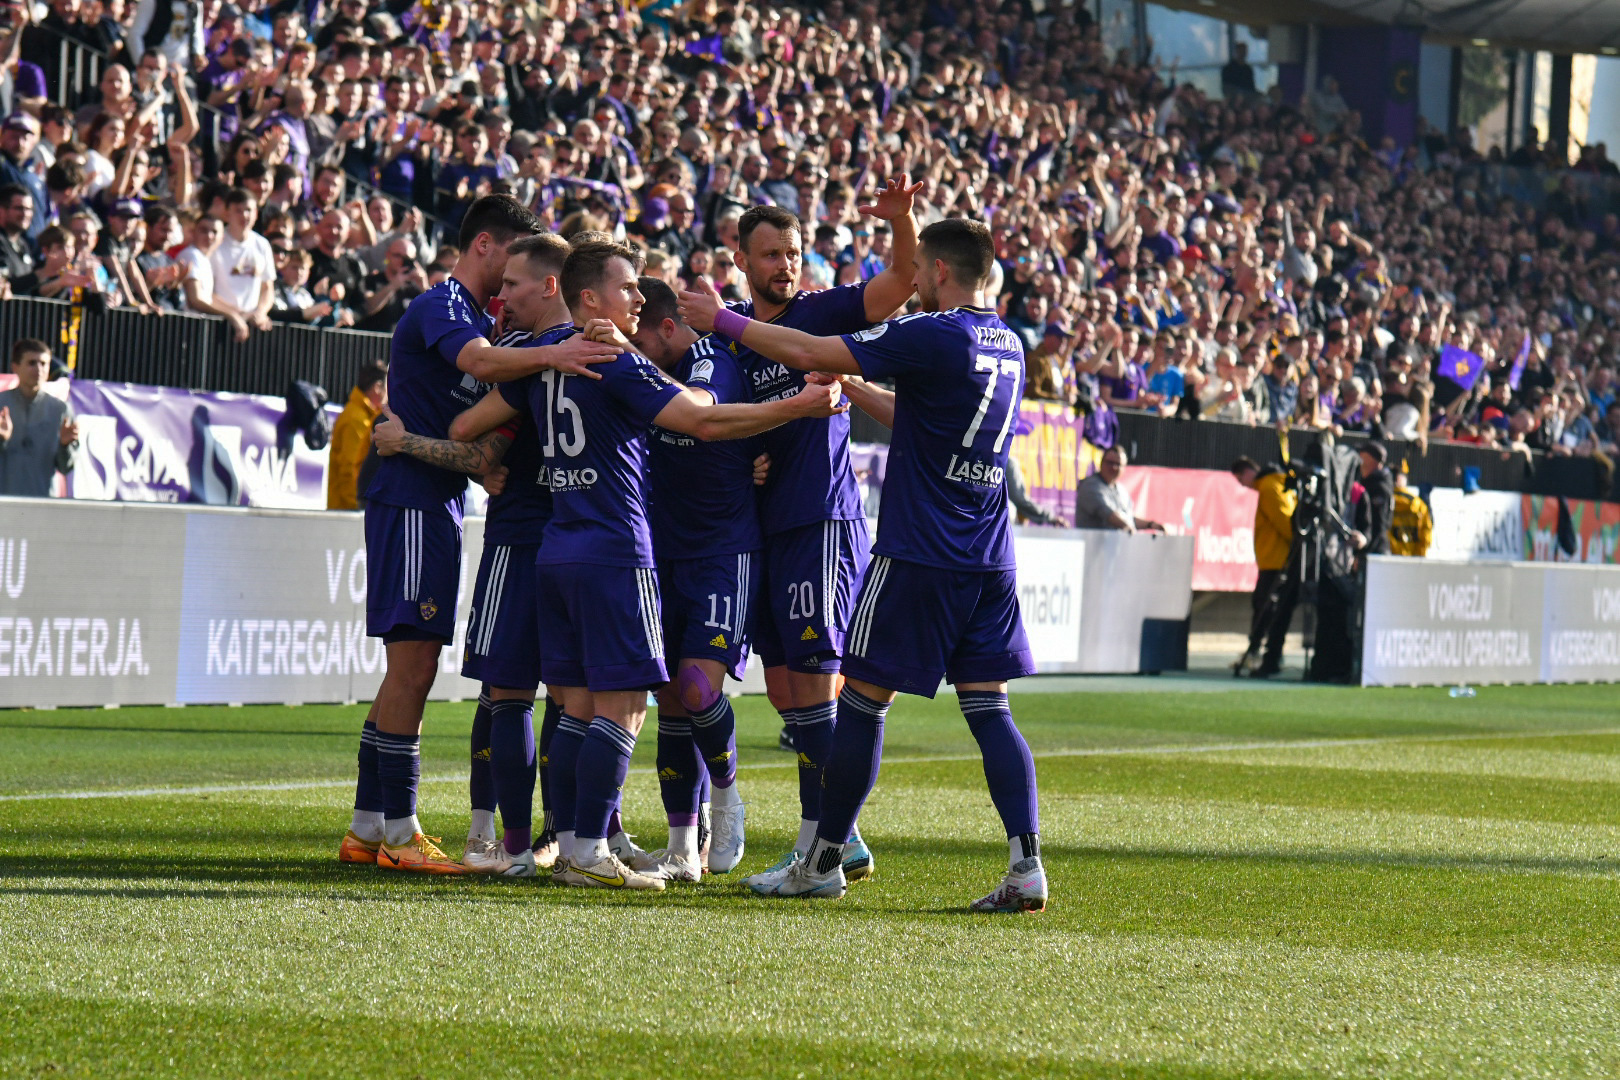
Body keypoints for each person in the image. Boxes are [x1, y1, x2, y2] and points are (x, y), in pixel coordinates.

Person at [451, 238, 845, 892]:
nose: (638, 297)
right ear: (587, 298)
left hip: (558, 547)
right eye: (627, 287)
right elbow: (703, 420)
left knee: (575, 706)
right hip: (615, 548)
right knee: (627, 706)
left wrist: (495, 463)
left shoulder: (545, 362)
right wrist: (798, 406)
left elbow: (470, 425)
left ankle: (579, 846)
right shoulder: (611, 360)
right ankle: (584, 850)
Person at [678, 217, 1047, 912]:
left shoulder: (933, 333)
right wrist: (856, 391)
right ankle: (1026, 865)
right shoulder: (1008, 341)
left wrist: (724, 320)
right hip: (989, 556)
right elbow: (925, 415)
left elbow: (812, 344)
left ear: (937, 272)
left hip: (919, 553)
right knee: (991, 709)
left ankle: (823, 857)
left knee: (859, 707)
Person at [338, 195, 617, 876]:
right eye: (512, 262)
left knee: (409, 667)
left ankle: (369, 824)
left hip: (432, 497)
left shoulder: (479, 318)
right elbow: (485, 367)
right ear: (487, 247)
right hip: (409, 497)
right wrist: (562, 350)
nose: (514, 280)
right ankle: (400, 832)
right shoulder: (445, 308)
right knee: (415, 665)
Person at [716, 185, 921, 890]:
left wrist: (900, 221)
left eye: (793, 253)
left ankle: (822, 849)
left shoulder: (820, 313)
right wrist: (752, 455)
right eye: (771, 254)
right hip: (765, 527)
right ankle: (839, 838)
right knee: (782, 685)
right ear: (741, 258)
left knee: (815, 679)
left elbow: (900, 282)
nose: (785, 265)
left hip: (822, 521)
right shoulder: (731, 333)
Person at [630, 276, 759, 881]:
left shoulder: (710, 357)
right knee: (670, 700)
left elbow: (700, 414)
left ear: (665, 328)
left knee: (700, 687)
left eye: (640, 338)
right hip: (660, 549)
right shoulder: (643, 364)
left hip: (720, 547)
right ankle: (684, 847)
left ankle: (728, 799)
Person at [1230, 456, 1297, 679]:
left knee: (1265, 608)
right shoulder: (1273, 485)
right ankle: (1261, 653)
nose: (1243, 485)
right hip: (1274, 559)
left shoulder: (1269, 487)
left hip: (1276, 561)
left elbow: (1285, 522)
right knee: (1265, 608)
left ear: (1247, 472)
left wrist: (1293, 545)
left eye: (1241, 480)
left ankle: (1259, 654)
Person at [0, 339, 77, 497]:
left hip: (43, 504)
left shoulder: (61, 409)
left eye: (44, 363)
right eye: (32, 363)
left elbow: (66, 467)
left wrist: (65, 445)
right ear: (15, 367)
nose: (39, 369)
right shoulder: (2, 404)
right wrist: (2, 439)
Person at [327, 361, 386, 510]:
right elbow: (349, 469)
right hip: (346, 510)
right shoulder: (357, 419)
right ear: (377, 387)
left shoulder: (361, 415)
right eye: (386, 387)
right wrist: (358, 508)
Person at [1074, 446, 1162, 532]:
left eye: (1118, 464)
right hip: (1093, 544)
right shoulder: (1091, 486)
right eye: (1110, 463)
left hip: (1117, 543)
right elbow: (1108, 514)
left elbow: (1129, 519)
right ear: (1101, 463)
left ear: (1124, 467)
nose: (1114, 467)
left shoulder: (1121, 490)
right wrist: (1127, 528)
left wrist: (1151, 525)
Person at [1353, 441, 1395, 558]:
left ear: (1370, 459)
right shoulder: (1372, 482)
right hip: (1371, 550)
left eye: (1362, 454)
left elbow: (1379, 524)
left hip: (1375, 554)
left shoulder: (1379, 487)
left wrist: (1364, 554)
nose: (1359, 457)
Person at [1389, 470, 1433, 557]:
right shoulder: (1419, 505)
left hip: (1388, 559)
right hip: (1413, 559)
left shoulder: (1384, 501)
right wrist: (1420, 555)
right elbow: (1426, 532)